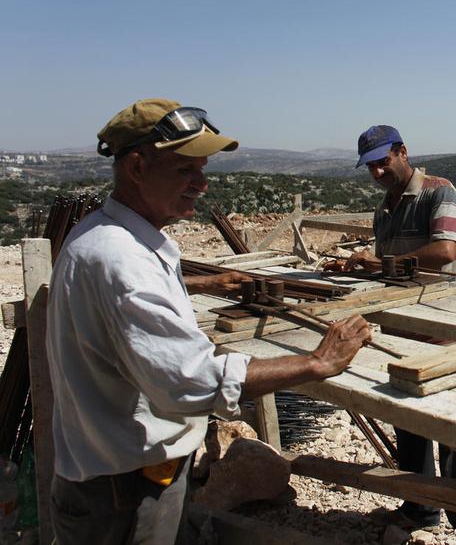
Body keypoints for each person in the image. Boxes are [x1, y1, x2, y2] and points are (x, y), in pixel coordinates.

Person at [45, 98, 372, 545]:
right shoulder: (120, 259)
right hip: (125, 489)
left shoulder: (106, 237)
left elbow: (128, 303)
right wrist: (317, 363)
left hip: (112, 476)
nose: (201, 184)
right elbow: (191, 383)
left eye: (202, 170)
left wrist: (203, 283)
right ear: (137, 167)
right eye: (185, 171)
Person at [340, 125, 456, 545]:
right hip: (403, 329)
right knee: (407, 423)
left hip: (444, 327)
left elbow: (447, 251)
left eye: (382, 163)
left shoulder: (438, 191)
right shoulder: (384, 209)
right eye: (370, 167)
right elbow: (392, 271)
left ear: (402, 152)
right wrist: (368, 267)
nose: (376, 173)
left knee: (451, 427)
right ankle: (419, 508)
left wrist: (380, 263)